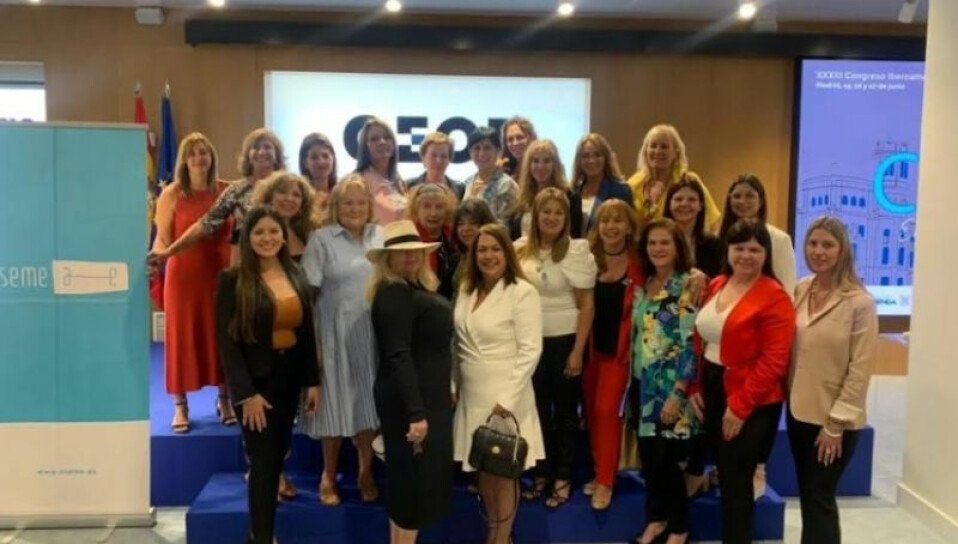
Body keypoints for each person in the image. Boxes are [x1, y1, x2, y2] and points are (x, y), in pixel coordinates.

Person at [215, 205, 322, 544]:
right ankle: (261, 537)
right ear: (247, 237)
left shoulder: (296, 273)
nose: (267, 238)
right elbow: (227, 344)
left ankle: (259, 532)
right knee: (263, 464)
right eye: (259, 232)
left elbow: (306, 332)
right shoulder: (232, 280)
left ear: (283, 236)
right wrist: (246, 394)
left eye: (273, 231)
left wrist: (313, 381)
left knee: (277, 457)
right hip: (256, 386)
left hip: (289, 380)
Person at [690, 219, 795, 544]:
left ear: (766, 254)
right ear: (728, 250)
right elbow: (703, 340)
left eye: (754, 249)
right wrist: (696, 385)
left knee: (737, 483)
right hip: (714, 385)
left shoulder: (774, 296)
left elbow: (774, 360)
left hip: (752, 399)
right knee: (727, 476)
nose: (746, 256)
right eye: (739, 248)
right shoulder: (718, 283)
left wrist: (739, 407)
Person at [788, 216, 878, 544]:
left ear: (843, 250)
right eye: (813, 243)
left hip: (833, 420)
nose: (819, 251)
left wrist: (835, 424)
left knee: (820, 496)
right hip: (799, 411)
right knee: (808, 494)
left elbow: (860, 369)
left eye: (828, 245)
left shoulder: (860, 302)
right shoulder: (802, 288)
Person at [453, 223, 544, 544]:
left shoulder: (522, 292)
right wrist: (454, 385)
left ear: (507, 253)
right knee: (484, 470)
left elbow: (531, 349)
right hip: (472, 394)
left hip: (506, 396)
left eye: (495, 249)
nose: (488, 256)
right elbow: (458, 344)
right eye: (482, 250)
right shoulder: (466, 290)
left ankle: (502, 538)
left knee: (504, 473)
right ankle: (493, 532)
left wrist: (507, 398)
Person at [300, 176, 384, 506]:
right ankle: (328, 475)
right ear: (335, 206)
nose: (354, 208)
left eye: (361, 202)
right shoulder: (321, 239)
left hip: (371, 334)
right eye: (347, 202)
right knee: (332, 405)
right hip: (331, 334)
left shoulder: (380, 236)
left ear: (370, 206)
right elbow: (307, 295)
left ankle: (365, 473)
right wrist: (313, 345)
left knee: (367, 405)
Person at [368, 220, 454, 544]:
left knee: (408, 485)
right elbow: (398, 355)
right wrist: (416, 413)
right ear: (387, 259)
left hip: (422, 395)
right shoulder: (393, 291)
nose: (410, 257)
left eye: (415, 251)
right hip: (412, 401)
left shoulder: (410, 288)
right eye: (402, 252)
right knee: (413, 488)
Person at [515, 188, 597, 508]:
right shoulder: (520, 249)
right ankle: (541, 471)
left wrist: (577, 351)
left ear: (566, 218)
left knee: (564, 413)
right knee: (536, 411)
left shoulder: (576, 250)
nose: (551, 218)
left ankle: (563, 476)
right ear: (535, 216)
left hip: (565, 341)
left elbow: (587, 306)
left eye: (558, 212)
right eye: (545, 212)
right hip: (529, 343)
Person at [151, 132, 233, 432]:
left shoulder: (226, 191)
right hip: (183, 277)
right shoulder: (172, 193)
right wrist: (157, 256)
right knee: (181, 338)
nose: (199, 158)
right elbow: (163, 238)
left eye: (203, 152)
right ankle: (180, 406)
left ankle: (224, 400)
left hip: (220, 275)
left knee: (222, 337)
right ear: (184, 160)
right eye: (192, 153)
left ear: (212, 157)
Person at [631, 219, 699, 544]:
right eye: (652, 243)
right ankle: (656, 520)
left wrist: (679, 392)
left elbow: (690, 344)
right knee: (650, 461)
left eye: (664, 243)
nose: (657, 249)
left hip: (669, 388)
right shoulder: (644, 284)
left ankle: (680, 528)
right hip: (641, 384)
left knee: (666, 462)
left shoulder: (687, 286)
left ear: (677, 247)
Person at [581, 199, 643, 510]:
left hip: (619, 354)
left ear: (629, 226)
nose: (611, 226)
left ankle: (606, 480)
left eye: (618, 220)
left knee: (607, 411)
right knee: (592, 414)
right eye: (605, 220)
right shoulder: (587, 258)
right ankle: (599, 471)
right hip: (589, 351)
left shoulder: (639, 262)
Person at [150, 128, 286, 267]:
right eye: (256, 148)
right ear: (248, 155)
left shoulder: (289, 187)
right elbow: (206, 224)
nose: (262, 152)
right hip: (247, 267)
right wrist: (169, 251)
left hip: (284, 263)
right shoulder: (236, 191)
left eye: (267, 147)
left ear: (277, 153)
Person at [626, 124, 720, 230]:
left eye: (664, 147)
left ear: (676, 153)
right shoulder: (633, 185)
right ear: (645, 151)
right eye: (653, 146)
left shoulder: (689, 181)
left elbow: (713, 223)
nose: (658, 151)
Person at [718, 173, 797, 297]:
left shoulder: (779, 239)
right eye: (737, 196)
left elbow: (787, 290)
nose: (742, 201)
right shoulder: (719, 238)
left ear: (761, 201)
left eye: (750, 196)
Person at [508, 139, 584, 240]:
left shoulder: (571, 197)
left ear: (555, 165)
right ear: (529, 165)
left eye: (547, 161)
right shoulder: (522, 197)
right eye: (535, 161)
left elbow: (574, 237)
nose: (541, 166)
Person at [570, 132, 634, 234]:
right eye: (586, 156)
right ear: (579, 160)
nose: (592, 160)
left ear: (606, 158)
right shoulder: (573, 191)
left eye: (597, 155)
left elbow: (628, 229)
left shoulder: (621, 191)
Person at [406, 183, 459, 299]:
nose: (433, 213)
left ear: (447, 211)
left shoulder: (455, 237)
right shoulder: (408, 240)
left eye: (439, 207)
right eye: (426, 206)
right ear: (416, 210)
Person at [665, 175, 723, 278]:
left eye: (691, 200)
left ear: (700, 206)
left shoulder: (714, 245)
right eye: (678, 199)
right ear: (669, 204)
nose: (684, 204)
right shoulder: (656, 242)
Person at [251, 172, 317, 261]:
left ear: (303, 203)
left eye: (296, 195)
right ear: (269, 197)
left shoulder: (306, 232)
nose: (289, 198)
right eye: (282, 192)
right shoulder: (254, 229)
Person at [354, 117, 407, 225]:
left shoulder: (398, 181)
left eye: (387, 137)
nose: (382, 142)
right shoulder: (358, 182)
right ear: (365, 147)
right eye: (374, 139)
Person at [463, 126, 519, 224]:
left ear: (498, 151)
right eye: (476, 148)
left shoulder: (506, 184)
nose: (481, 153)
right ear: (470, 152)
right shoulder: (467, 183)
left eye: (487, 148)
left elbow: (505, 225)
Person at [407, 131, 465, 200]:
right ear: (423, 157)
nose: (438, 161)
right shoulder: (408, 186)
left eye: (444, 156)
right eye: (433, 155)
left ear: (449, 160)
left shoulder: (460, 189)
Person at [297, 132, 337, 218]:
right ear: (305, 163)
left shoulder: (342, 192)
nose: (321, 162)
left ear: (333, 159)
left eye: (325, 156)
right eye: (314, 157)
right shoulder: (299, 196)